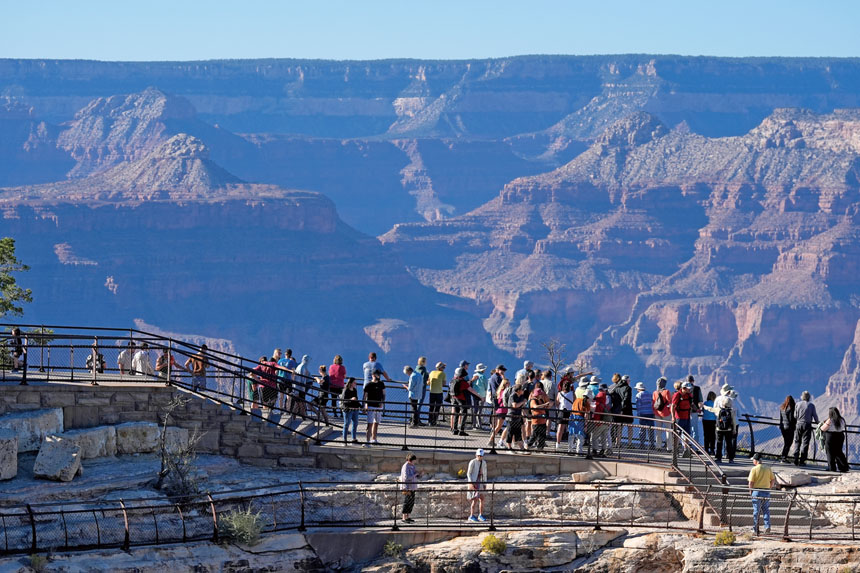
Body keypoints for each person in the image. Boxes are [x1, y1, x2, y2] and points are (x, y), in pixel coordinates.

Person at [704, 384, 736, 463]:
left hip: (719, 427)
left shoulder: (718, 404)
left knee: (719, 442)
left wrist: (704, 406)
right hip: (728, 428)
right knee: (729, 443)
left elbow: (711, 409)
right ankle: (730, 458)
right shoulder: (731, 410)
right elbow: (733, 420)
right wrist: (734, 429)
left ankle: (719, 457)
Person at [748, 453, 775, 535]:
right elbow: (773, 480)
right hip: (766, 491)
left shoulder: (754, 469)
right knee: (766, 509)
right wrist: (769, 488)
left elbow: (751, 482)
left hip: (757, 491)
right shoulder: (768, 468)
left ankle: (755, 527)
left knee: (756, 510)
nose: (753, 461)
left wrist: (750, 491)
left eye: (753, 460)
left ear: (756, 461)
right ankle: (767, 526)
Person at [451, 366, 481, 436]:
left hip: (454, 398)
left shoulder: (453, 380)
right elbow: (471, 390)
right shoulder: (463, 382)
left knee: (456, 413)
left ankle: (455, 430)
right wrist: (480, 397)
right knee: (464, 414)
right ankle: (461, 430)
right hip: (461, 399)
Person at [793, 391, 819, 466]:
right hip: (807, 426)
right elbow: (815, 417)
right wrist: (818, 424)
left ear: (802, 397)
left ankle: (795, 458)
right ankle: (802, 460)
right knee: (805, 443)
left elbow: (795, 416)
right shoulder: (811, 405)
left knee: (797, 441)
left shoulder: (797, 404)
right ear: (809, 397)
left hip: (798, 424)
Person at [821, 406, 850, 473]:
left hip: (831, 437)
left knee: (830, 452)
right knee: (839, 452)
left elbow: (823, 428)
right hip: (840, 436)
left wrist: (824, 423)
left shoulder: (830, 420)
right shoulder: (842, 419)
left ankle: (832, 468)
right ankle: (844, 467)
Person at [671, 381, 694, 455]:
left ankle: (686, 450)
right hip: (679, 417)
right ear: (684, 388)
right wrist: (673, 417)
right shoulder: (677, 395)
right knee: (677, 433)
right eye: (688, 389)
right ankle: (676, 449)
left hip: (687, 417)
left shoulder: (689, 395)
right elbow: (673, 406)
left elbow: (691, 404)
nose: (689, 390)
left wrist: (697, 409)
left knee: (687, 434)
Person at [505, 384, 529, 452]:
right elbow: (515, 405)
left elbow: (522, 406)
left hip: (518, 417)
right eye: (522, 390)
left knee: (518, 433)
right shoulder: (512, 396)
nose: (523, 391)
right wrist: (522, 402)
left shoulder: (521, 396)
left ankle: (522, 448)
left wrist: (524, 416)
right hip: (511, 417)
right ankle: (509, 448)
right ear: (518, 390)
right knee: (510, 432)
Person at [527, 385, 552, 450]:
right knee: (534, 435)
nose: (542, 395)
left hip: (542, 420)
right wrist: (544, 405)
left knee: (542, 435)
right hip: (536, 421)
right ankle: (528, 446)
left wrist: (548, 405)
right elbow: (535, 407)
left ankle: (540, 448)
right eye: (541, 394)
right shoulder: (533, 400)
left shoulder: (541, 400)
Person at [466, 449, 488, 522]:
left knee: (482, 498)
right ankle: (471, 515)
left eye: (481, 456)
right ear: (476, 455)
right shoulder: (473, 462)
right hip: (474, 482)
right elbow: (469, 473)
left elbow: (485, 473)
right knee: (474, 500)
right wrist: (471, 483)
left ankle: (480, 515)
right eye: (478, 456)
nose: (479, 457)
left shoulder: (484, 463)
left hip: (480, 482)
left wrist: (485, 483)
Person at [400, 453, 421, 523]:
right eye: (414, 460)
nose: (415, 462)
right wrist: (415, 475)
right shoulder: (405, 466)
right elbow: (407, 477)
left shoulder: (412, 466)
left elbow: (414, 474)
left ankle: (408, 516)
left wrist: (418, 475)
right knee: (407, 501)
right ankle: (404, 517)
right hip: (407, 487)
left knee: (411, 502)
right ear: (410, 460)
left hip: (412, 487)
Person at [489, 375, 510, 447]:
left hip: (500, 410)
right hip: (503, 410)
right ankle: (494, 440)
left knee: (499, 426)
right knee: (503, 426)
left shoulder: (499, 391)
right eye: (508, 383)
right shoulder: (504, 392)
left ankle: (492, 439)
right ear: (505, 384)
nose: (509, 385)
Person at [653, 377, 673, 450]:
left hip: (657, 414)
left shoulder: (655, 392)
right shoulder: (667, 392)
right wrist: (670, 412)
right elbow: (670, 403)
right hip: (666, 414)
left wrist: (655, 412)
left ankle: (658, 446)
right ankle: (669, 447)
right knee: (668, 431)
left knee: (658, 431)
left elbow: (653, 404)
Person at [634, 382, 655, 449]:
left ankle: (642, 444)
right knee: (651, 429)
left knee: (642, 429)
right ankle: (652, 444)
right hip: (650, 413)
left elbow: (638, 405)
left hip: (642, 414)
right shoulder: (650, 394)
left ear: (639, 389)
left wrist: (638, 414)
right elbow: (652, 403)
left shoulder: (638, 395)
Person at [592, 383, 611, 456]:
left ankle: (595, 450)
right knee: (604, 436)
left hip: (600, 421)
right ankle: (603, 450)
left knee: (594, 436)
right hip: (606, 421)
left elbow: (597, 414)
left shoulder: (598, 404)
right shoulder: (605, 401)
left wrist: (596, 422)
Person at [340, 377, 361, 444]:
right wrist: (351, 399)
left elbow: (356, 399)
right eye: (354, 382)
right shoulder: (346, 390)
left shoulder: (354, 390)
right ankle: (344, 439)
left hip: (355, 409)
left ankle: (353, 438)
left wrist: (360, 406)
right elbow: (343, 401)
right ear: (351, 383)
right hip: (348, 409)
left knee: (355, 423)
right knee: (346, 424)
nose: (356, 384)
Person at [556, 379, 574, 450]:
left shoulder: (560, 394)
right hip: (570, 411)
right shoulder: (572, 393)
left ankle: (558, 443)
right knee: (571, 428)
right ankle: (571, 444)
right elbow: (574, 402)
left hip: (562, 411)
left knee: (560, 428)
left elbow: (557, 403)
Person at [470, 364, 489, 430]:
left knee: (475, 410)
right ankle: (479, 425)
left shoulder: (474, 376)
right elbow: (486, 386)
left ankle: (474, 425)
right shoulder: (483, 377)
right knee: (480, 411)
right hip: (482, 395)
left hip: (474, 394)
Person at [778, 395, 796, 463]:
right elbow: (791, 419)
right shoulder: (791, 408)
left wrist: (781, 426)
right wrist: (795, 422)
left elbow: (781, 419)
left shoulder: (782, 407)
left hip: (783, 428)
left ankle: (783, 457)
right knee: (789, 443)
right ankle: (783, 457)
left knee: (786, 443)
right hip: (789, 428)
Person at [687, 375, 704, 444]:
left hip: (685, 411)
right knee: (694, 429)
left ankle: (686, 446)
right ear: (693, 381)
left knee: (686, 429)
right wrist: (699, 409)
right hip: (694, 411)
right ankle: (694, 447)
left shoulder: (684, 389)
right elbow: (700, 400)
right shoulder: (697, 388)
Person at [702, 391, 717, 456]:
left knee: (706, 435)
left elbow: (703, 410)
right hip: (713, 420)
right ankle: (712, 449)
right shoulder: (714, 403)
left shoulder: (705, 403)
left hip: (705, 420)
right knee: (712, 435)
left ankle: (706, 449)